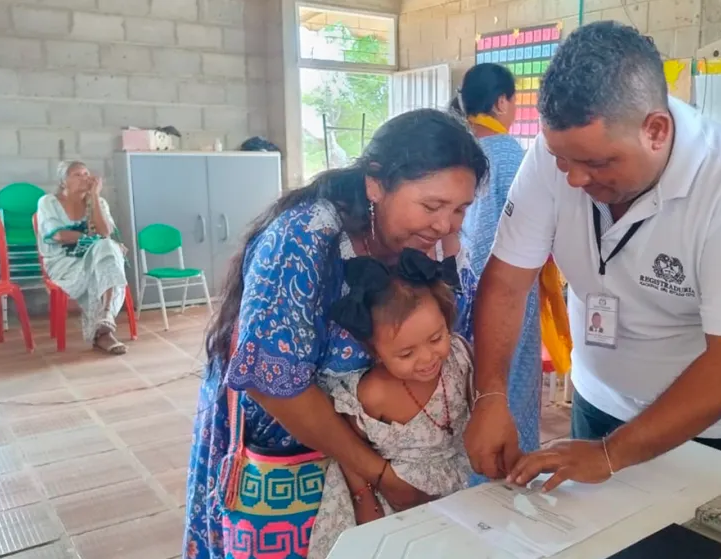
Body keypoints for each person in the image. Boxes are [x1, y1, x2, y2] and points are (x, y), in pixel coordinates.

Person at [466, 21, 721, 491]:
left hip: (716, 431)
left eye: (597, 164)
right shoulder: (552, 154)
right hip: (598, 402)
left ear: (655, 130)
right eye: (563, 160)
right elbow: (506, 281)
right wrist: (490, 394)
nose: (574, 179)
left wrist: (611, 454)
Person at [183, 109, 488, 559]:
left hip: (394, 468)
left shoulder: (437, 245)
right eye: (431, 206)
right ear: (375, 184)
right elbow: (274, 385)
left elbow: (454, 345)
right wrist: (379, 476)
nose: (445, 225)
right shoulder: (304, 239)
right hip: (292, 463)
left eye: (460, 208)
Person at [307, 250, 475, 559]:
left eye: (436, 338)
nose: (427, 359)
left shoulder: (459, 358)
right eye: (406, 353)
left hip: (449, 492)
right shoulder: (374, 393)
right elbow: (348, 452)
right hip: (388, 502)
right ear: (375, 351)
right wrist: (364, 500)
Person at [452, 62, 543, 454]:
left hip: (458, 297)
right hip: (508, 292)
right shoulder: (510, 155)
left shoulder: (460, 151)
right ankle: (505, 476)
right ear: (502, 101)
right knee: (509, 388)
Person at [36, 161, 129, 355]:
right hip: (63, 263)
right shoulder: (48, 202)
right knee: (107, 252)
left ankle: (105, 316)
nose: (85, 178)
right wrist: (95, 240)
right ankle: (104, 331)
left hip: (96, 260)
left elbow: (105, 233)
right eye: (77, 175)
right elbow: (59, 236)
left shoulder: (98, 203)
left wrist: (94, 197)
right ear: (64, 182)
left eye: (87, 173)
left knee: (106, 250)